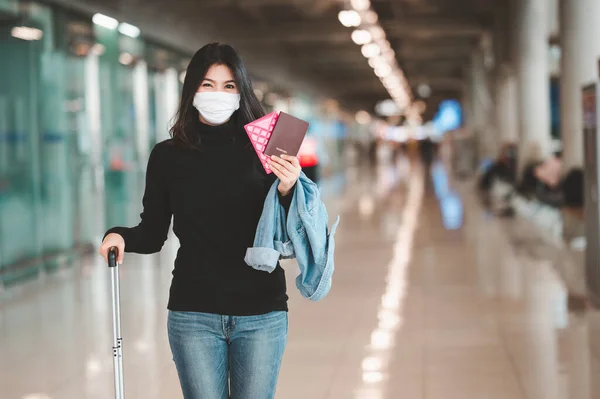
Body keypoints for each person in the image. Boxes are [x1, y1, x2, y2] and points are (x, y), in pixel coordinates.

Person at [98, 43, 301, 399]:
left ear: (242, 91)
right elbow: (152, 232)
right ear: (191, 89)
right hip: (194, 313)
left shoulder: (267, 150)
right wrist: (119, 236)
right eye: (207, 84)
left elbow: (287, 239)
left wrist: (287, 190)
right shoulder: (167, 156)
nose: (217, 94)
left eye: (228, 85)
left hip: (261, 313)